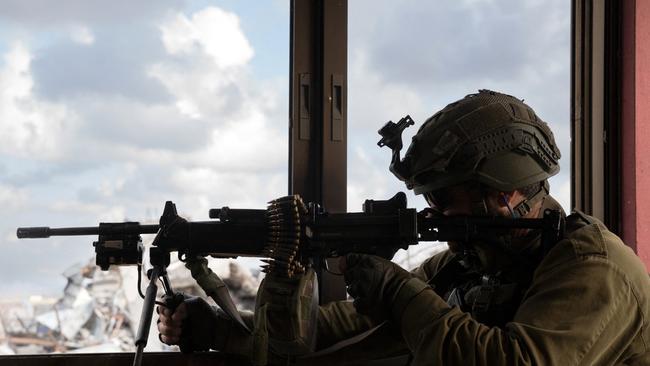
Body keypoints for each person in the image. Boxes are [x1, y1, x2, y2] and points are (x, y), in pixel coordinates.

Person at [158, 90, 650, 365]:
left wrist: (395, 291)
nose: (433, 213)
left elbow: (511, 362)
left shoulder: (596, 269)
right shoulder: (475, 263)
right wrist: (221, 332)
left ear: (505, 192)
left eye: (443, 197)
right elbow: (347, 328)